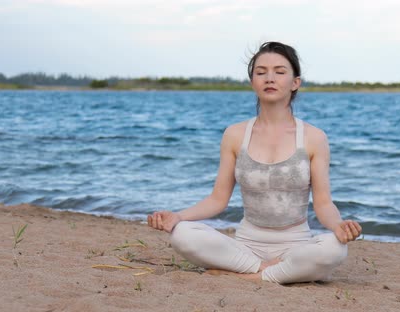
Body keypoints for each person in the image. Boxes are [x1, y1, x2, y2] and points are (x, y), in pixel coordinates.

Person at [147, 41, 362, 284]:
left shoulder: (314, 137)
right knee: (182, 234)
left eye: (279, 72)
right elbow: (218, 199)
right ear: (253, 83)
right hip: (246, 246)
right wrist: (177, 216)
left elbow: (323, 203)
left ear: (295, 82)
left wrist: (339, 225)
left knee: (334, 249)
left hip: (296, 245)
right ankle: (266, 271)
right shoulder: (235, 134)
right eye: (261, 72)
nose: (269, 78)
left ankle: (248, 277)